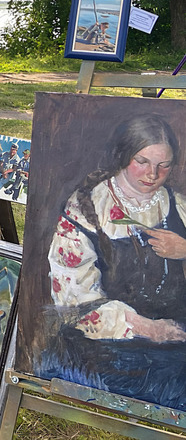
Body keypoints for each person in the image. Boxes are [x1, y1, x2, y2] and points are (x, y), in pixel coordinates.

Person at [42, 115, 186, 409]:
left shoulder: (177, 203)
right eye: (142, 161)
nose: (152, 174)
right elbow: (75, 301)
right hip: (111, 348)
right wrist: (148, 328)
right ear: (124, 156)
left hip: (176, 334)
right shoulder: (86, 211)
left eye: (164, 165)